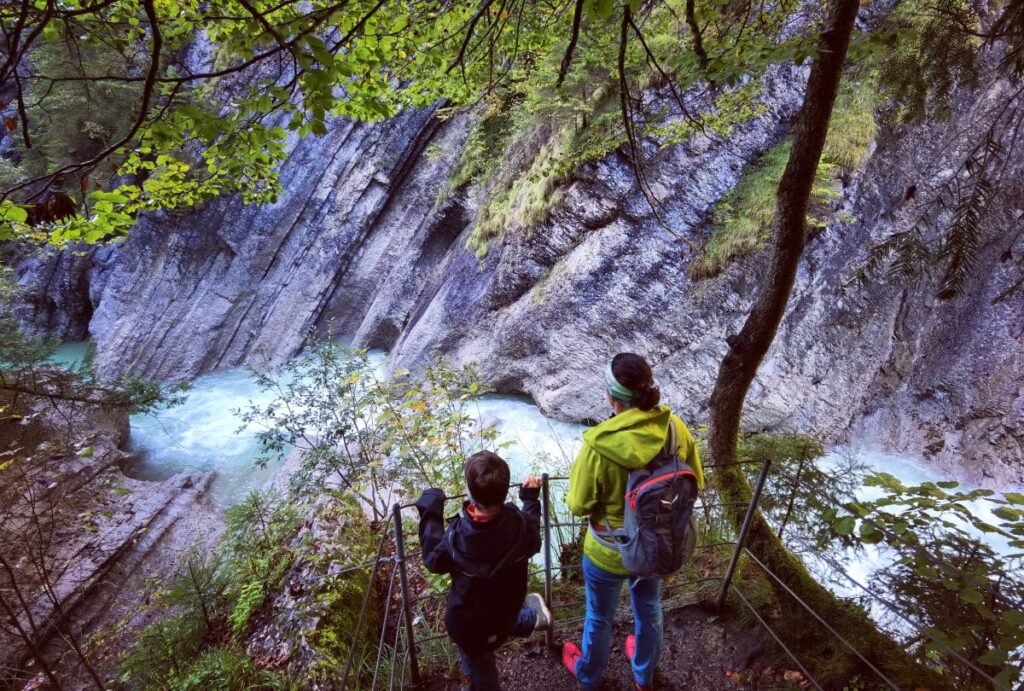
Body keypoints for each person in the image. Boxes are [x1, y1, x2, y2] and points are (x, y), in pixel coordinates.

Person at [562, 353, 705, 691]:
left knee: (599, 617)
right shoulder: (674, 429)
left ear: (611, 397)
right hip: (655, 545)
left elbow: (578, 505)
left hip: (606, 550)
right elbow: (695, 479)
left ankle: (589, 676)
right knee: (650, 609)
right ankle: (643, 674)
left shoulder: (599, 445)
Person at [416, 450, 552, 691]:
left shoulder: (457, 538)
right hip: (505, 608)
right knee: (502, 619)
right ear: (505, 489)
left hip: (471, 625)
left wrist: (430, 511)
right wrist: (530, 498)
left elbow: (433, 559)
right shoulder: (519, 524)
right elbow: (533, 537)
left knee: (482, 675)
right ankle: (529, 619)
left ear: (470, 493)